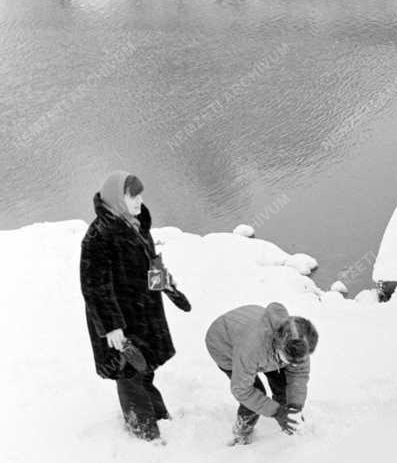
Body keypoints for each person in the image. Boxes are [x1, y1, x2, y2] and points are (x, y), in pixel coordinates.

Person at [80, 171, 191, 442]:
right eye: (133, 195)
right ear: (118, 198)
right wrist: (111, 327)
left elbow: (151, 262)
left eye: (140, 194)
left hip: (144, 312)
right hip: (121, 321)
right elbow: (95, 287)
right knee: (128, 374)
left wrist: (166, 284)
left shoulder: (136, 224)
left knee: (145, 368)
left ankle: (159, 417)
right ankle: (144, 432)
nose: (139, 200)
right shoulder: (98, 236)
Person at [205, 302, 319, 445]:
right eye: (289, 360)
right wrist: (277, 412)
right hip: (222, 342)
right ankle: (242, 432)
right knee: (255, 394)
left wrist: (294, 406)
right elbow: (242, 390)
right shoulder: (251, 348)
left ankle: (286, 418)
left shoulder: (299, 339)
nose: (295, 365)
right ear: (279, 344)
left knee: (283, 383)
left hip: (250, 328)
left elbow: (299, 374)